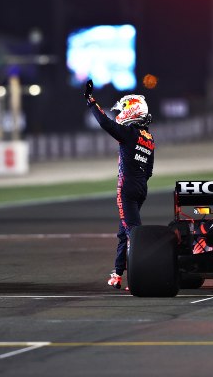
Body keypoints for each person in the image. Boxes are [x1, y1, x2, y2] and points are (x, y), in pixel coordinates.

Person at [84, 80, 154, 289]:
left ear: (132, 112)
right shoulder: (148, 138)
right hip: (141, 188)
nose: (120, 113)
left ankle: (142, 278)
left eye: (123, 109)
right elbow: (149, 170)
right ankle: (117, 273)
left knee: (134, 235)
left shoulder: (130, 133)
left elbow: (105, 123)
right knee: (124, 232)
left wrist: (90, 102)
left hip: (127, 188)